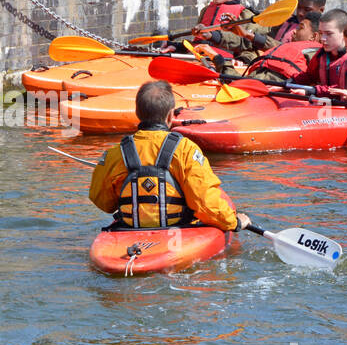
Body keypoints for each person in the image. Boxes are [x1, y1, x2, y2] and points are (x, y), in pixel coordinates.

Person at [89, 81, 247, 233]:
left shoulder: (116, 153)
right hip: (178, 230)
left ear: (137, 113)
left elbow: (101, 200)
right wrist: (234, 221)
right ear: (171, 116)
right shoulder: (186, 150)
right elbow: (204, 201)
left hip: (129, 231)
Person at [289, 8, 347, 87]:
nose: (322, 39)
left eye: (329, 34)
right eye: (321, 33)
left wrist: (315, 91)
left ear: (344, 33)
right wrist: (288, 83)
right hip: (324, 96)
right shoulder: (321, 54)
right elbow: (309, 76)